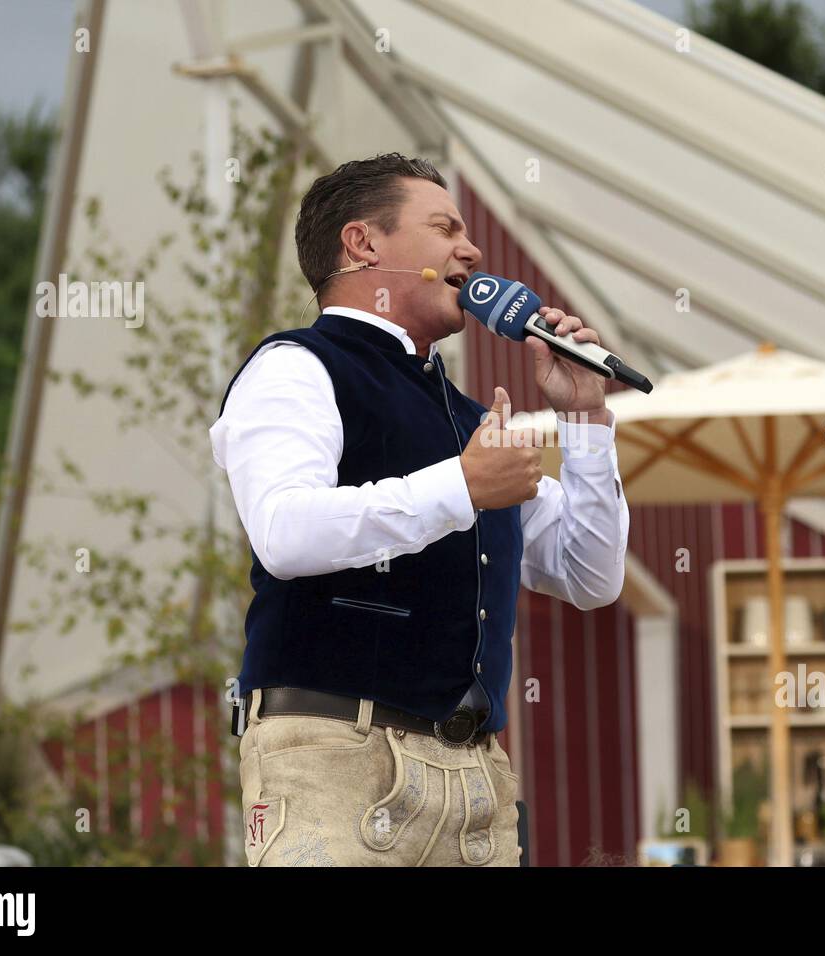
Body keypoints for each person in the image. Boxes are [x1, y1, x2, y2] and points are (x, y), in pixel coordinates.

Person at [208, 153, 629, 865]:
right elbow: (283, 532)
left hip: (474, 777)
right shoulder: (296, 367)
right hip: (334, 757)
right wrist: (463, 488)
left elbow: (590, 576)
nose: (471, 249)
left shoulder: (469, 421)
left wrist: (584, 422)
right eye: (444, 228)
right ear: (363, 243)